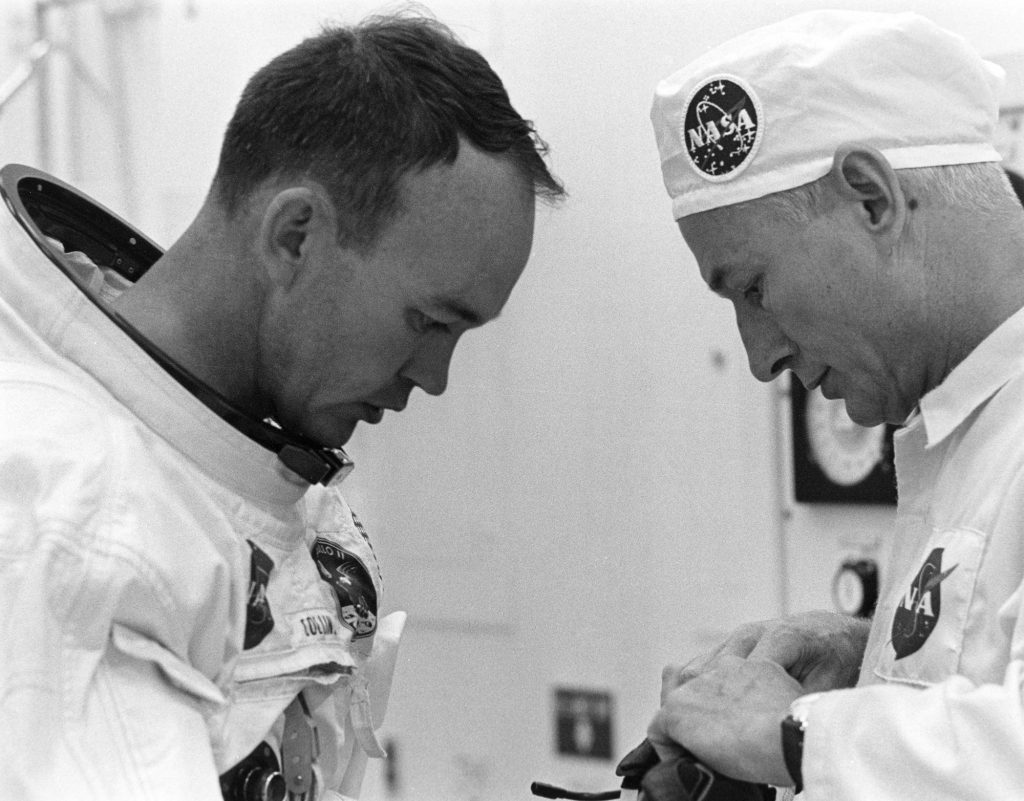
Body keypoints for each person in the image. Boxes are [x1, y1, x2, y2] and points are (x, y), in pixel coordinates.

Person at [0, 12, 563, 801]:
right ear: (296, 234)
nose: (434, 377)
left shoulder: (227, 467)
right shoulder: (84, 519)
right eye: (429, 321)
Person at [646, 10, 1024, 800]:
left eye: (754, 289)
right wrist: (875, 660)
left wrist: (793, 735)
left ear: (872, 197)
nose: (760, 356)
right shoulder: (964, 423)